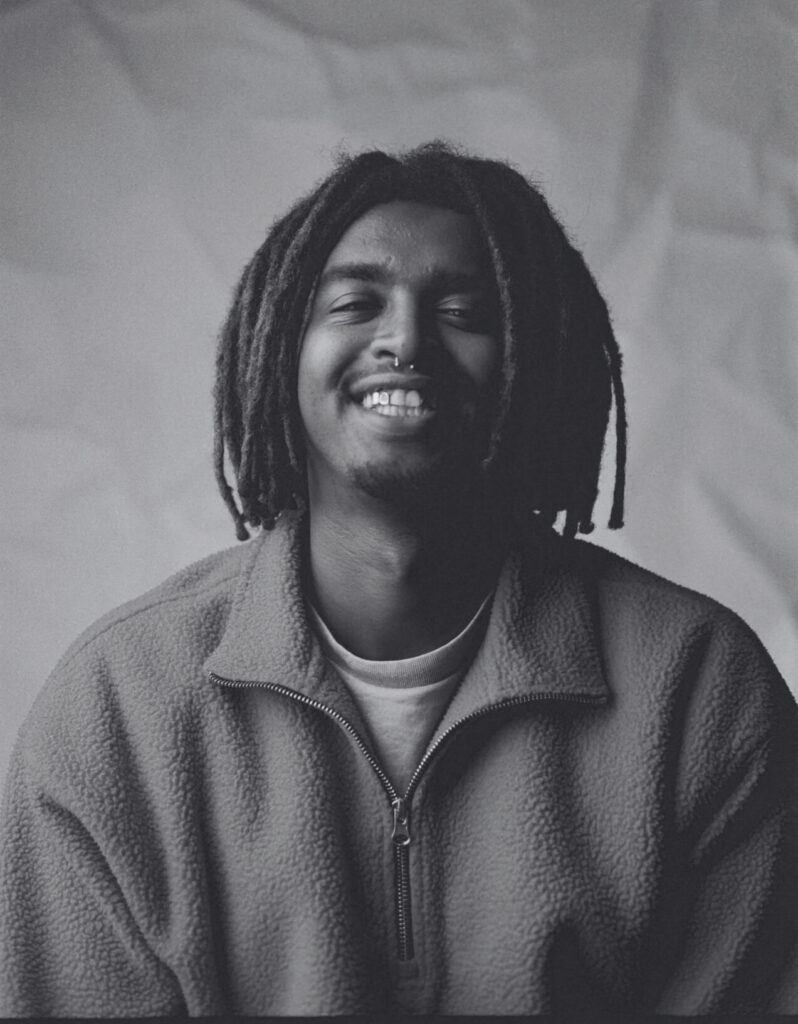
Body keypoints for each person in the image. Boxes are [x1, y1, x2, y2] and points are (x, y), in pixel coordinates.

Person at [1, 142, 796, 1017]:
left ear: (538, 362)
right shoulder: (119, 708)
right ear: (278, 352)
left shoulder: (701, 691)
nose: (406, 340)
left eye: (463, 310)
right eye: (354, 303)